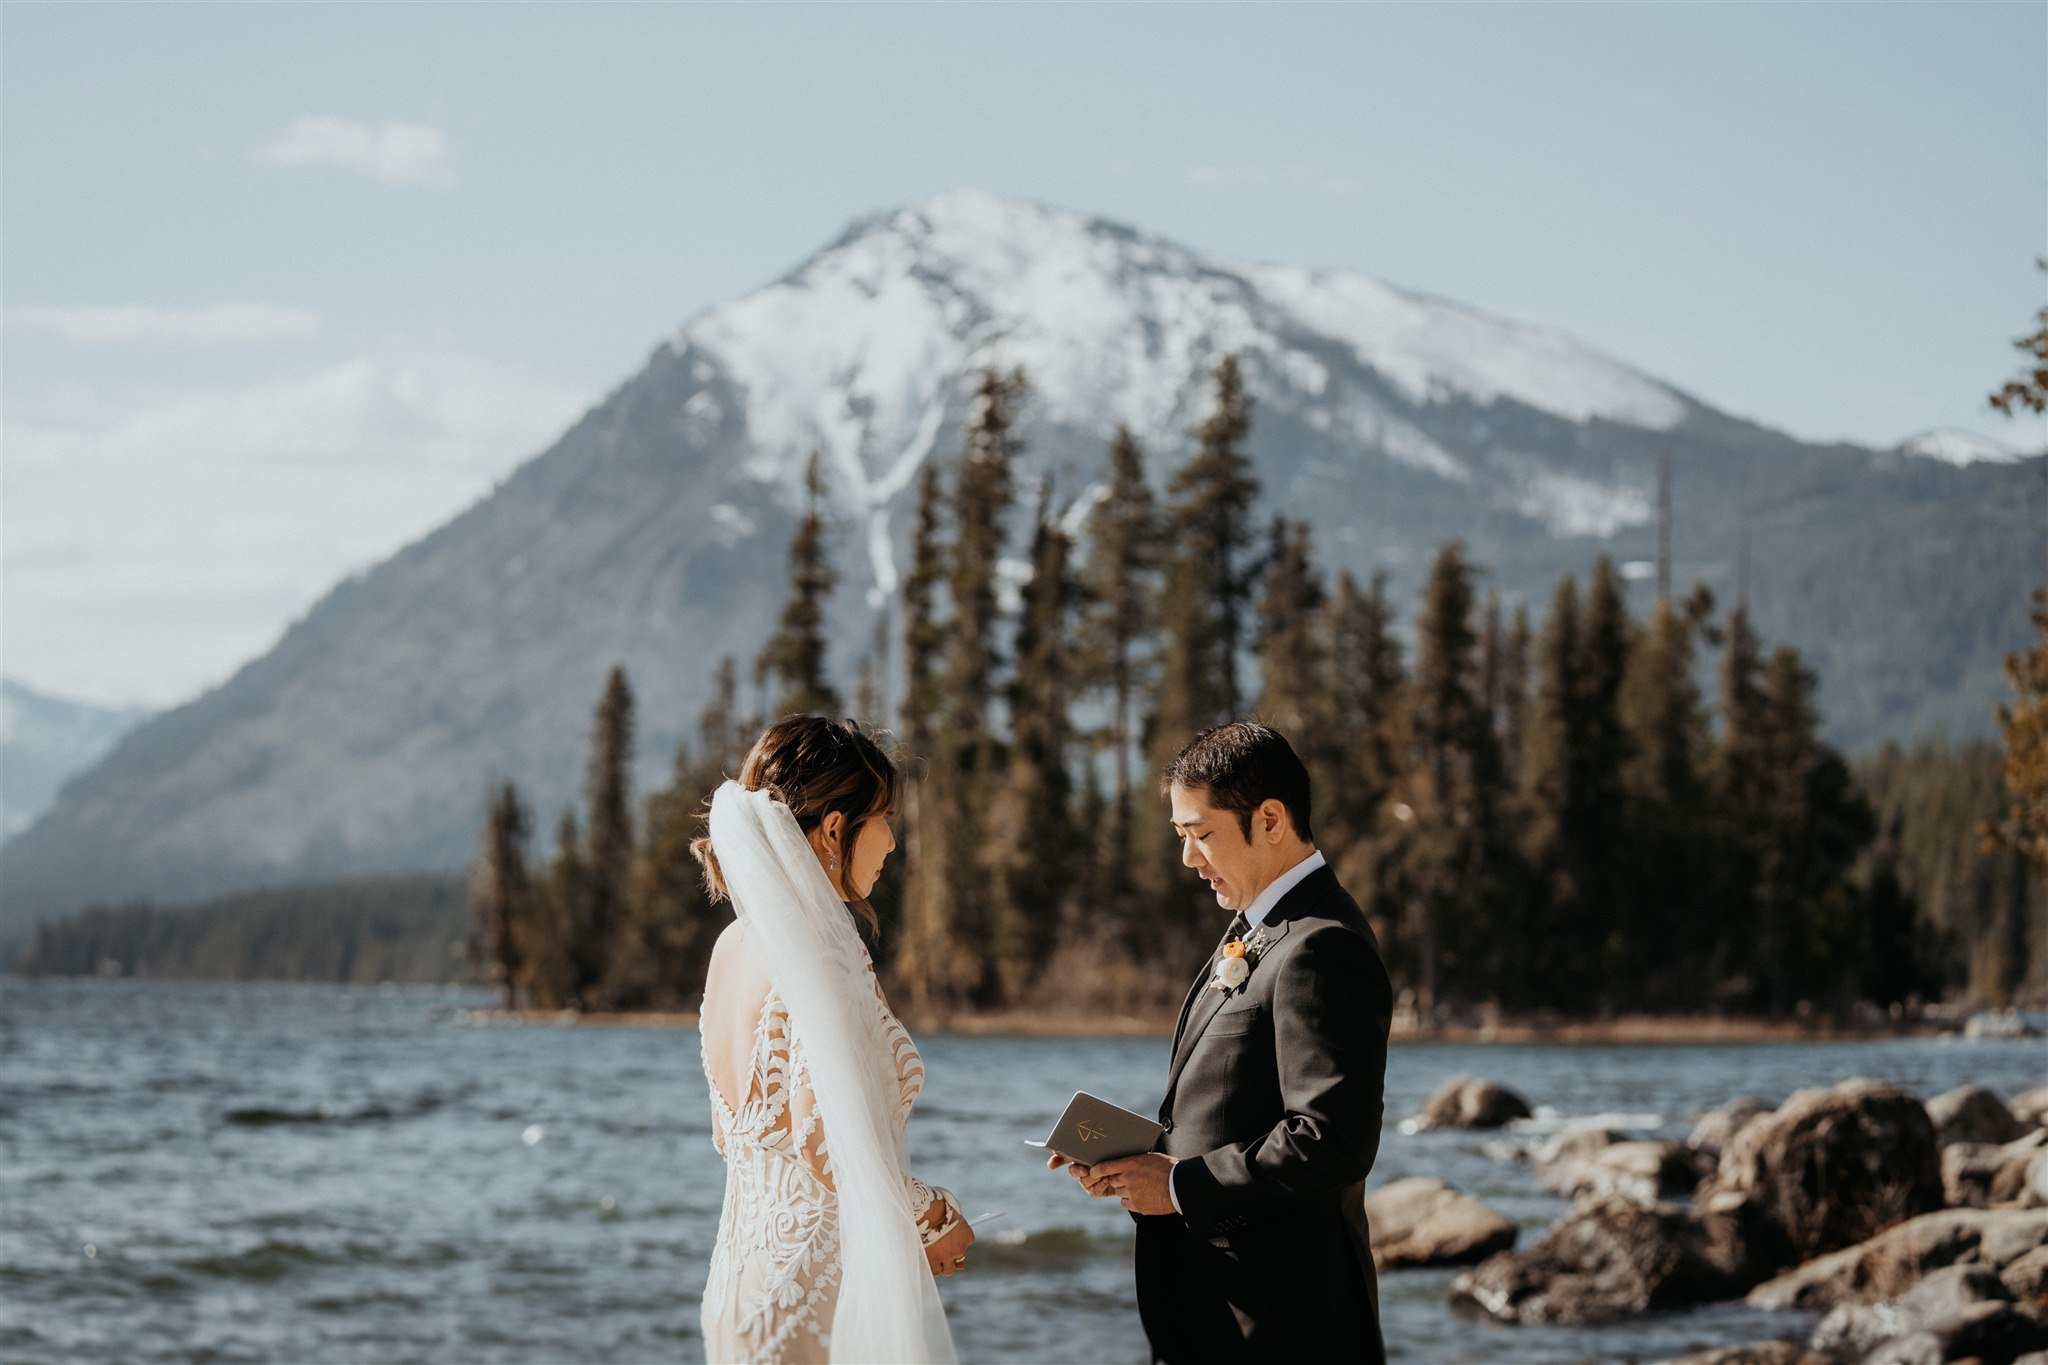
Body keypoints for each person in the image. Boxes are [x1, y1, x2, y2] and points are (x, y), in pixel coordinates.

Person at [1053, 721, 1393, 1363]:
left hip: (1283, 1326)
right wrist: (1134, 1164)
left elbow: (1333, 1140)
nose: (1188, 858)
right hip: (1216, 1317)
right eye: (1181, 836)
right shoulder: (1259, 926)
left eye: (1200, 834)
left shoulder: (1322, 945)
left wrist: (1180, 1186)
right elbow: (1233, 1107)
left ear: (1270, 819)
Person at [695, 716, 971, 1364]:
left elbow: (730, 1135)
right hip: (814, 1297)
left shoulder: (732, 945)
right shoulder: (822, 948)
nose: (894, 841)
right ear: (834, 829)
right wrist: (932, 1215)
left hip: (740, 1280)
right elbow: (825, 1144)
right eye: (884, 817)